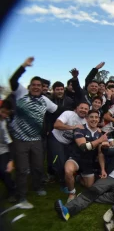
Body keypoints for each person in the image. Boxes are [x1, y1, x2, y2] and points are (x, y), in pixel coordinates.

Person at [54, 137, 114, 221]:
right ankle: (67, 210)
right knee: (93, 191)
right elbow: (107, 152)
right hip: (110, 177)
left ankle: (89, 196)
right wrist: (105, 147)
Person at [10, 57, 58, 208]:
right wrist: (24, 65)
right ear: (30, 86)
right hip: (20, 139)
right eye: (34, 85)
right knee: (23, 169)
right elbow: (13, 80)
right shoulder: (21, 93)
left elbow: (57, 111)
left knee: (38, 166)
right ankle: (21, 196)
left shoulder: (45, 100)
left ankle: (38, 187)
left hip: (37, 139)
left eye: (39, 85)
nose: (36, 87)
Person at [64, 110, 108, 203]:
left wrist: (103, 169)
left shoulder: (100, 134)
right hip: (76, 158)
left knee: (89, 186)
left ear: (98, 119)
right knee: (68, 170)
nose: (94, 119)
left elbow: (100, 154)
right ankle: (72, 193)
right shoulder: (80, 129)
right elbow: (83, 147)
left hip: (88, 162)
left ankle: (78, 177)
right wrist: (100, 140)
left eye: (96, 117)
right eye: (91, 117)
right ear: (87, 118)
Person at [49, 102, 89, 185]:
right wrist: (73, 127)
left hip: (68, 143)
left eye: (86, 109)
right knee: (58, 160)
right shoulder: (68, 114)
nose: (83, 110)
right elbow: (56, 125)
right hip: (56, 138)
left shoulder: (85, 122)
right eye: (81, 108)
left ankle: (64, 177)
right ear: (77, 108)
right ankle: (61, 181)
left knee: (67, 161)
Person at [0, 100, 15, 202]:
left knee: (4, 171)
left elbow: (10, 143)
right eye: (3, 112)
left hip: (4, 149)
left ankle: (12, 192)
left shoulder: (5, 124)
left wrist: (11, 161)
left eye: (7, 113)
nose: (4, 115)